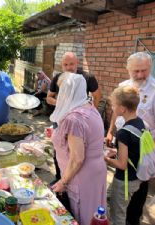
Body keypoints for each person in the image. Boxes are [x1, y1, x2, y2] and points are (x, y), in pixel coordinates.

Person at [106, 52, 155, 225]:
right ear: (127, 69)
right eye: (136, 71)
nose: (140, 75)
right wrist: (111, 131)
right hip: (124, 140)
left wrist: (148, 154)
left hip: (143, 147)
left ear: (150, 68)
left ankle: (133, 218)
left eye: (144, 71)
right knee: (126, 179)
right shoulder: (124, 86)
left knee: (138, 187)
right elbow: (115, 111)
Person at [50, 73, 107, 225]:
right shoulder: (89, 106)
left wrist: (63, 181)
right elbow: (84, 137)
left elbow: (77, 158)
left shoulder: (73, 118)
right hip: (95, 171)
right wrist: (56, 134)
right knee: (94, 213)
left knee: (82, 215)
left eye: (62, 90)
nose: (60, 93)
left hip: (81, 177)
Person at [46, 52, 101, 183]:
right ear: (62, 65)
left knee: (77, 152)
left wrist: (90, 113)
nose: (69, 67)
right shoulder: (58, 78)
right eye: (65, 64)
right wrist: (62, 104)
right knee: (59, 148)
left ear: (77, 63)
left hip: (79, 121)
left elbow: (97, 95)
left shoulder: (87, 77)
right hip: (61, 120)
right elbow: (49, 97)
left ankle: (74, 179)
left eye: (71, 64)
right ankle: (60, 176)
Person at [105, 85, 145, 225]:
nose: (112, 108)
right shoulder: (140, 123)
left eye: (114, 105)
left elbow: (122, 165)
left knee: (118, 215)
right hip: (136, 177)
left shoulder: (123, 133)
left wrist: (106, 158)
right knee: (107, 196)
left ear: (122, 108)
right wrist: (116, 152)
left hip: (124, 180)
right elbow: (135, 150)